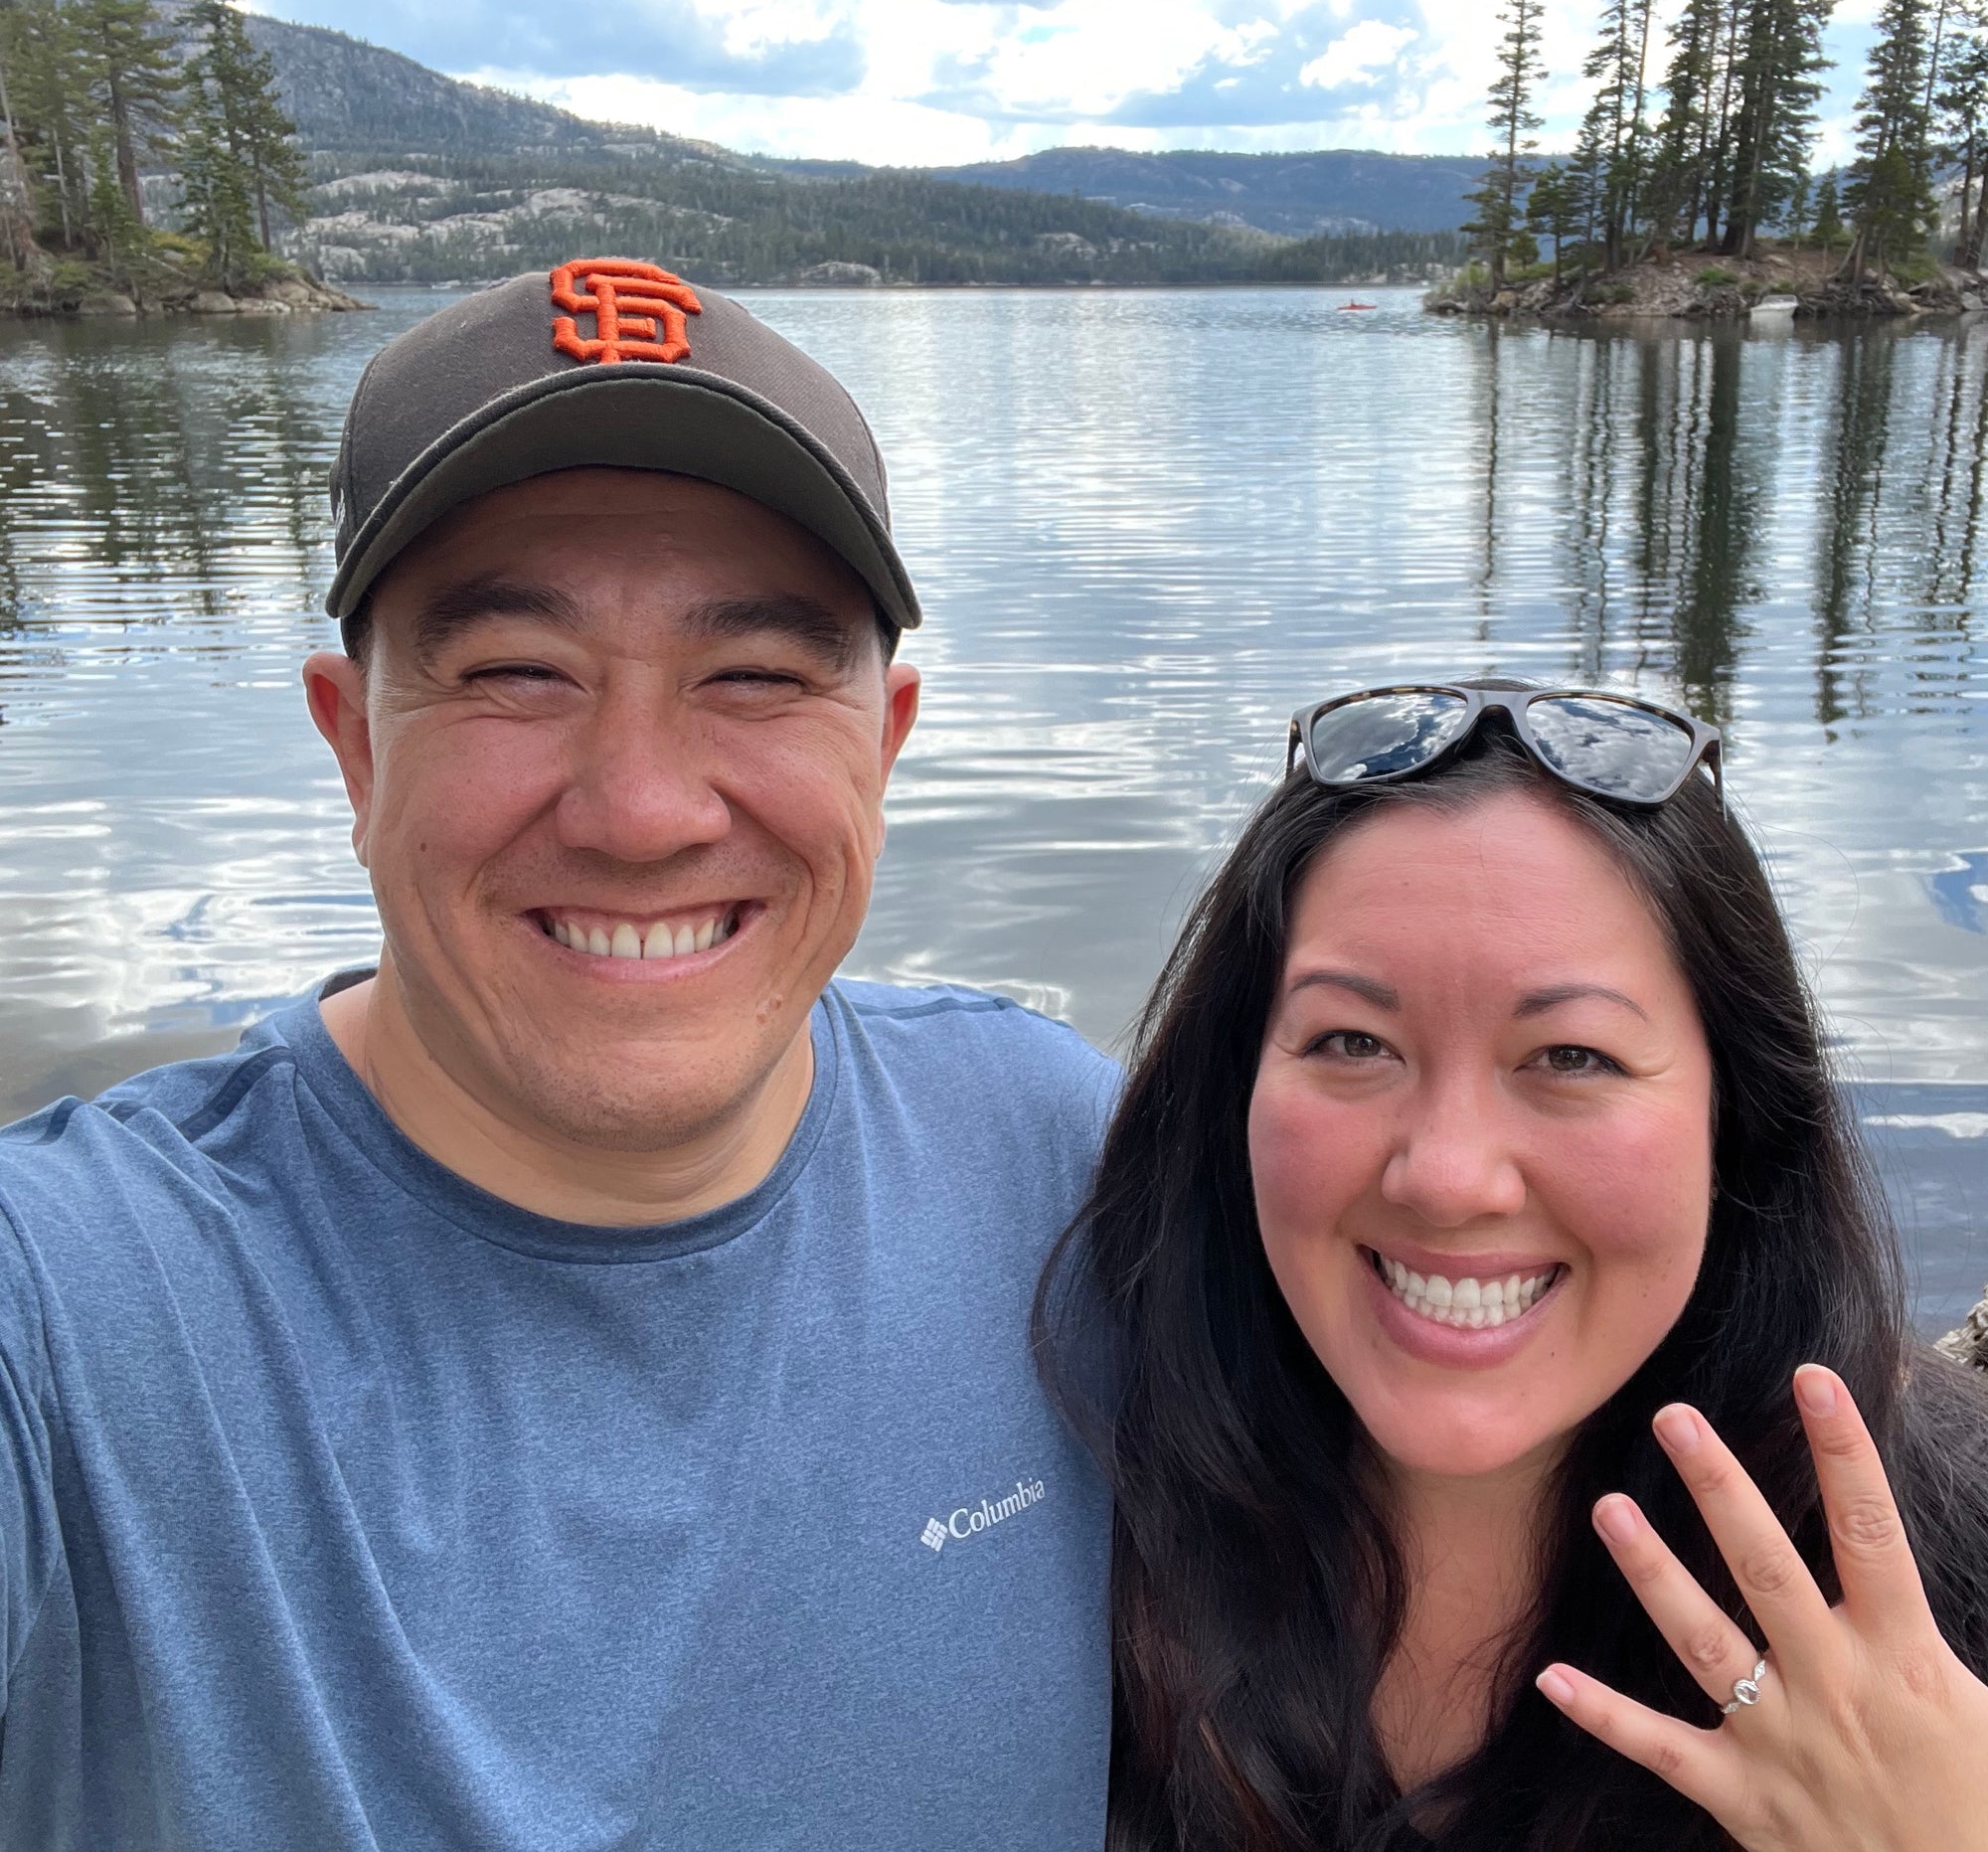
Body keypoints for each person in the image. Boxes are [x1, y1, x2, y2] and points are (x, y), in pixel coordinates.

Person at [0, 261, 1116, 1847]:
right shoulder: (75, 1304)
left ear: (886, 741)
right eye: (519, 673)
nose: (643, 809)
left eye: (755, 677)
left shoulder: (1058, 1159)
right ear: (355, 741)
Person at [1039, 681, 1988, 1852]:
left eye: (1569, 1055)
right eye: (1351, 1041)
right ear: (1233, 1098)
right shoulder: (1054, 1509)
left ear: (1733, 1119)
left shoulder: (1957, 1573)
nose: (1445, 1175)